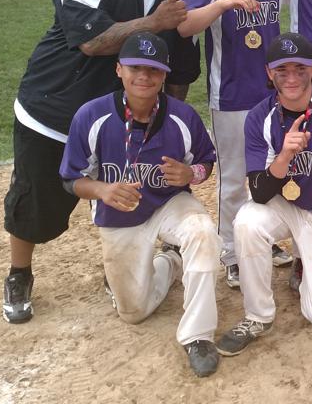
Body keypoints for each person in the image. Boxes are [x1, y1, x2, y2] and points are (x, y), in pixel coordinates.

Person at [1, 0, 200, 325]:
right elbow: (92, 42)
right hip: (53, 110)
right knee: (35, 202)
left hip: (121, 125)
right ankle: (20, 273)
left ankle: (116, 268)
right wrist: (155, 22)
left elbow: (180, 72)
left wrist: (166, 125)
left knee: (121, 199)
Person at [59, 32, 221, 377]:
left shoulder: (182, 117)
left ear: (164, 75)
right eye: (135, 68)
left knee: (203, 232)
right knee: (134, 312)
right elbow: (71, 179)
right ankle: (171, 262)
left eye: (154, 70)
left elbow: (206, 162)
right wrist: (102, 190)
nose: (144, 77)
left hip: (169, 205)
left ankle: (198, 335)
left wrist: (190, 173)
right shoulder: (92, 116)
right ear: (119, 70)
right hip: (120, 214)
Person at [217, 33, 312, 356]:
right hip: (281, 205)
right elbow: (259, 192)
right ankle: (257, 315)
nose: (291, 77)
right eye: (282, 69)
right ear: (268, 72)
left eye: (300, 68)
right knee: (246, 222)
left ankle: (306, 261)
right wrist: (284, 158)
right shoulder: (259, 117)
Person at [180, 0, 292, 291]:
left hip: (271, 91)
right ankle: (230, 252)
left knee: (271, 167)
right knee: (233, 178)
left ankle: (261, 237)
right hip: (229, 90)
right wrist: (225, 3)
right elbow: (185, 24)